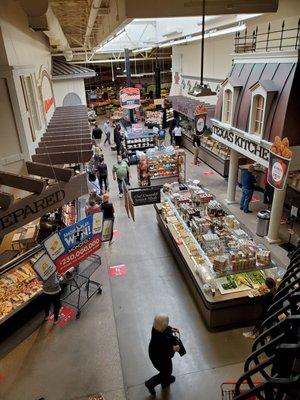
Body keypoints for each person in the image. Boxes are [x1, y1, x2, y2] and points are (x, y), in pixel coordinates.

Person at [145, 314, 180, 396]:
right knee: (166, 372)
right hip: (160, 359)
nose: (167, 325)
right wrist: (174, 349)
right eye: (166, 324)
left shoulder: (155, 328)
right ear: (163, 326)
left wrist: (171, 329)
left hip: (154, 353)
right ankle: (150, 383)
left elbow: (165, 329)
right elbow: (167, 354)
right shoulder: (161, 341)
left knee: (167, 370)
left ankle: (166, 382)